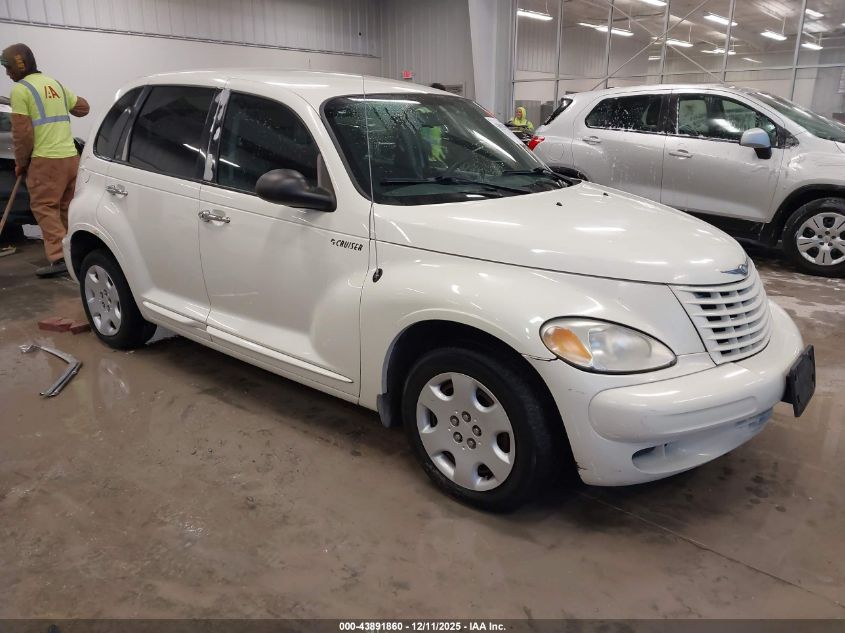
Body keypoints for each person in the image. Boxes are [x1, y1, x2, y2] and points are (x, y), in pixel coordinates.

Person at [2, 43, 89, 277]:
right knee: (65, 208)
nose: (7, 73)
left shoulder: (20, 91)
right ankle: (76, 253)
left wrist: (20, 162)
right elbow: (83, 108)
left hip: (45, 160)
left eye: (8, 68)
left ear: (19, 66)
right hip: (71, 158)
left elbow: (22, 134)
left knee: (43, 206)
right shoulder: (54, 84)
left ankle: (60, 257)